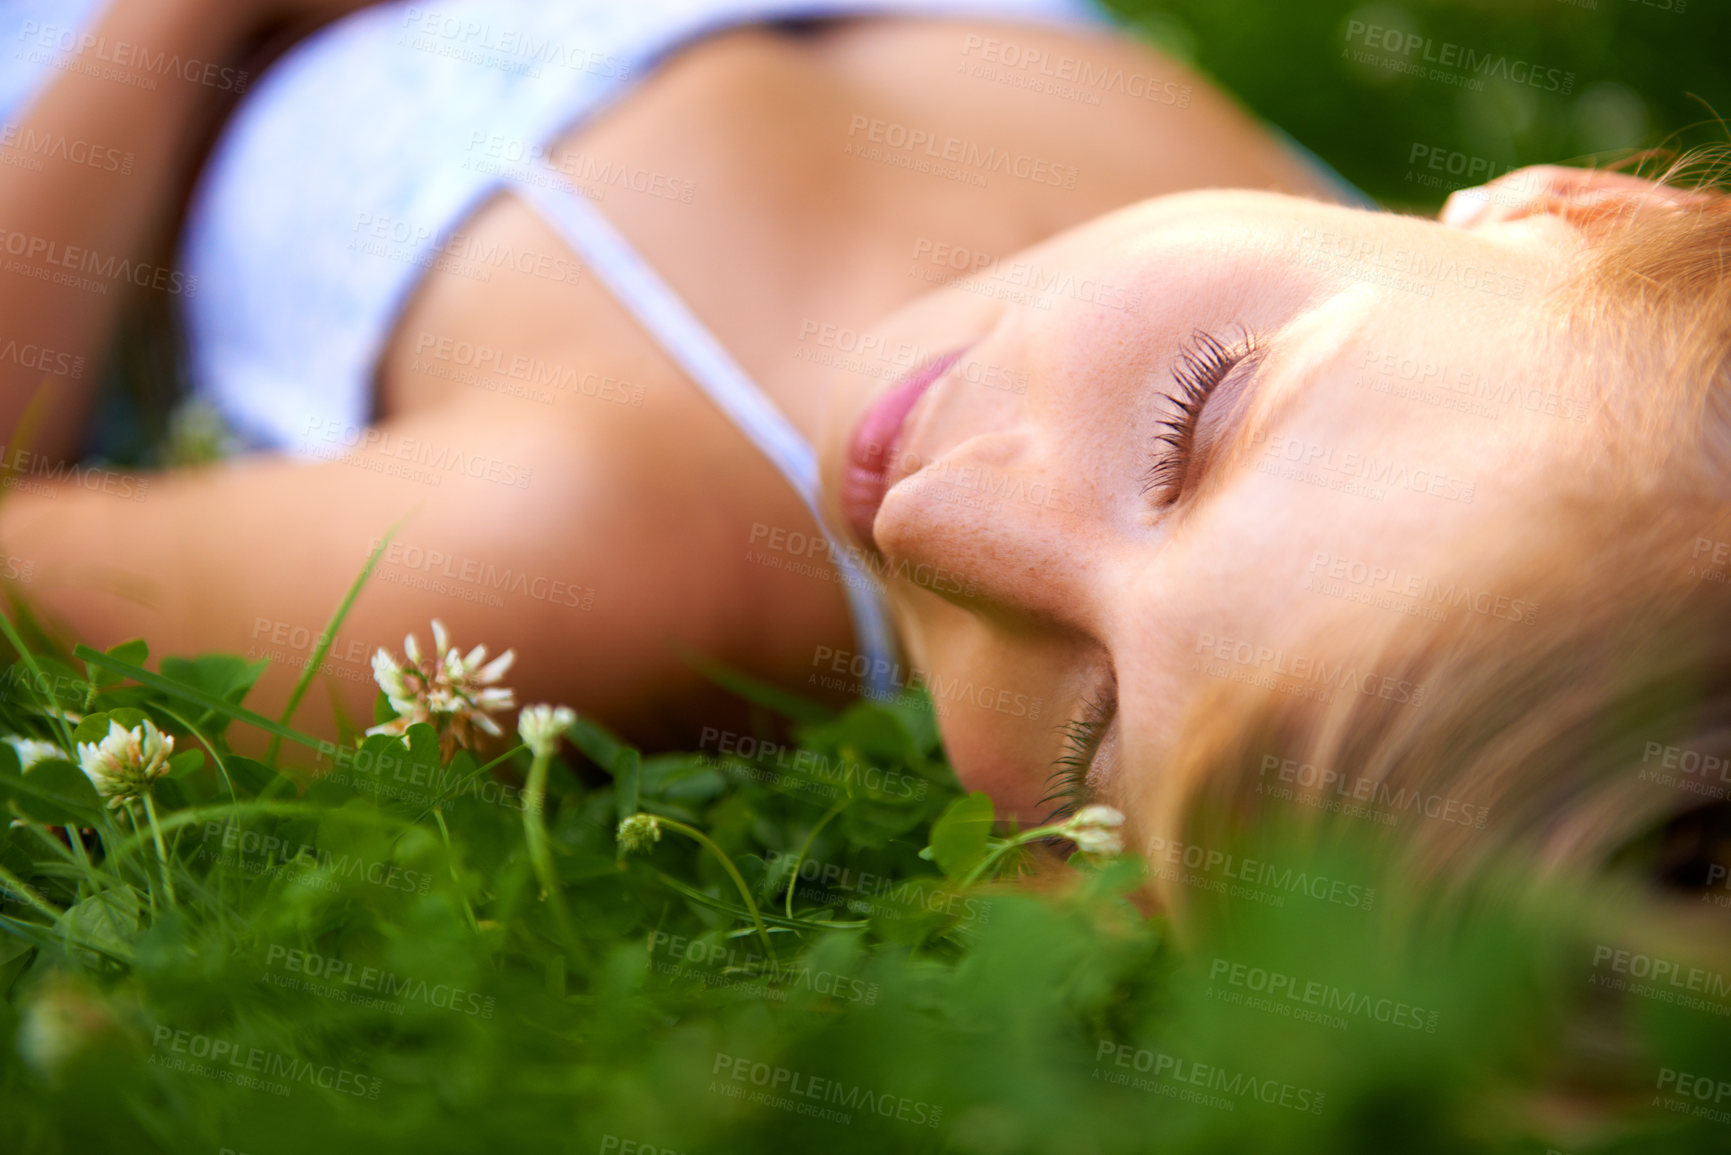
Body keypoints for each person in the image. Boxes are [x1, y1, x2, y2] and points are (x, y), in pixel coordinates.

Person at [4, 0, 1728, 878]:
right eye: (1195, 417)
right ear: (1560, 213)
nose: (947, 522)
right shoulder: (1490, 425)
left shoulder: (595, 542)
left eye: (1082, 752)